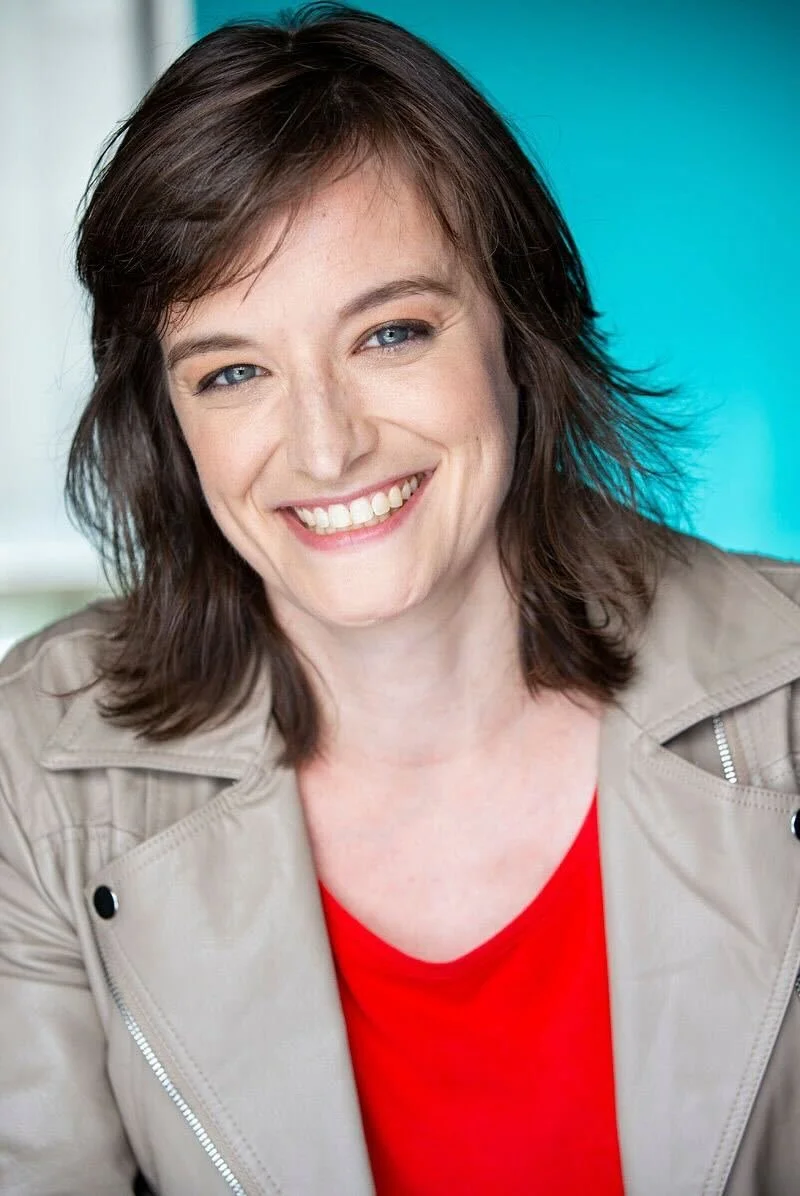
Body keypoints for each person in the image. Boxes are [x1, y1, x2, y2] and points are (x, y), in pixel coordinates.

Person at [1, 4, 799, 1194]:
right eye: (232, 371)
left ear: (517, 332)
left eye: (389, 333)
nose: (323, 449)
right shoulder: (35, 767)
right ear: (169, 422)